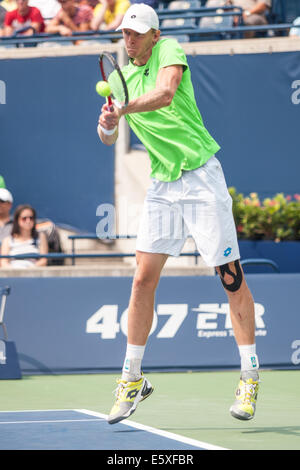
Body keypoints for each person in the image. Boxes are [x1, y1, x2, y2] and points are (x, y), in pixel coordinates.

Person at [98, 3, 260, 425]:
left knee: (230, 277)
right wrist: (109, 120)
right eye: (124, 34)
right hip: (163, 186)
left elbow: (167, 93)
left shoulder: (170, 49)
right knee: (141, 279)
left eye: (136, 33)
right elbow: (106, 135)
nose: (128, 40)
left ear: (154, 35)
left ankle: (249, 376)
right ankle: (132, 378)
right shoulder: (120, 77)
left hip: (202, 178)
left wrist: (125, 109)